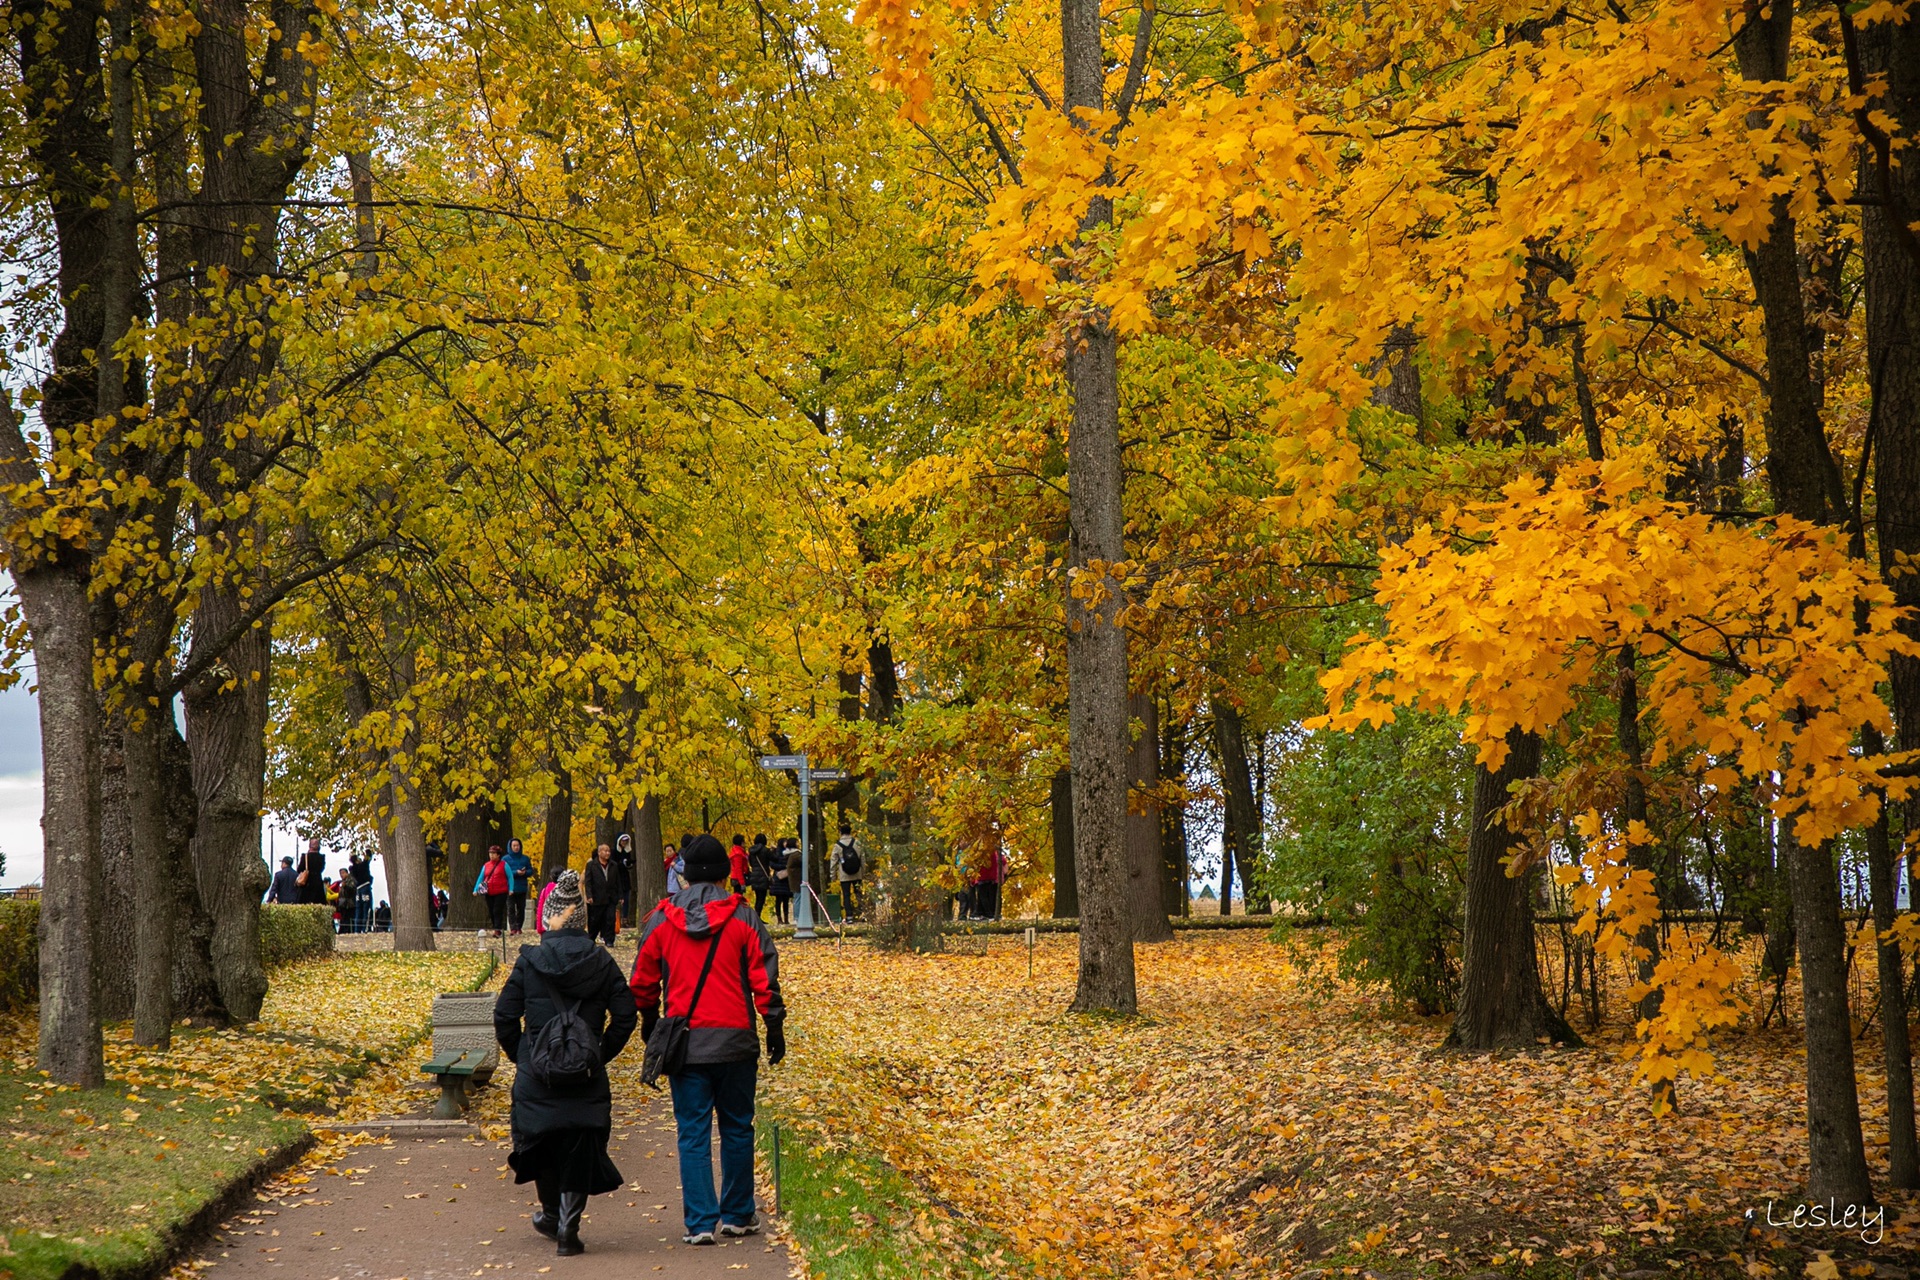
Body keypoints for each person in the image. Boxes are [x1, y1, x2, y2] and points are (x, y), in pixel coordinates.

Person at [629, 835, 785, 1246]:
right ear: (722, 874)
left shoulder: (660, 921)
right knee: (737, 1127)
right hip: (735, 1040)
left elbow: (643, 982)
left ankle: (699, 1223)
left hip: (686, 1043)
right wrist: (774, 1025)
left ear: (684, 873)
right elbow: (764, 978)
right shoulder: (744, 918)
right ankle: (738, 1214)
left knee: (692, 1131)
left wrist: (649, 1021)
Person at [494, 871, 638, 1257]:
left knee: (541, 1139)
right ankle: (567, 1229)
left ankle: (550, 1213)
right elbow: (626, 1017)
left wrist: (525, 1057)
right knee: (580, 1142)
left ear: (549, 920)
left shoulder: (529, 963)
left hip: (537, 1075)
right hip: (585, 1076)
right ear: (582, 922)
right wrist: (597, 1053)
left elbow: (504, 1018)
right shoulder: (601, 961)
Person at [584, 844, 627, 945]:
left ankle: (609, 940)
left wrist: (620, 895)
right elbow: (588, 881)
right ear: (599, 852)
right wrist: (589, 895)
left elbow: (618, 881)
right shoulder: (591, 865)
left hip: (611, 897)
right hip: (596, 897)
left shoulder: (613, 865)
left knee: (610, 919)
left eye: (608, 851)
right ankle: (591, 938)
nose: (607, 853)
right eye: (605, 851)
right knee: (595, 920)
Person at [475, 845, 511, 936]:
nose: (491, 855)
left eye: (493, 853)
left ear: (498, 855)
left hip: (501, 892)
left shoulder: (504, 865)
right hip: (489, 892)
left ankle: (497, 929)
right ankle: (496, 927)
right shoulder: (486, 865)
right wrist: (476, 889)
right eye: (490, 853)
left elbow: (510, 877)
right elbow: (481, 877)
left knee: (497, 910)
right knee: (491, 910)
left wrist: (511, 889)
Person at [504, 838, 535, 935]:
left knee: (521, 908)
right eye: (514, 846)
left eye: (518, 846)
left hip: (522, 887)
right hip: (510, 888)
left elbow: (531, 871)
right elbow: (503, 872)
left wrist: (525, 872)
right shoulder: (505, 859)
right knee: (511, 908)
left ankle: (519, 927)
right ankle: (513, 927)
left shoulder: (525, 858)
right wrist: (515, 873)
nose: (516, 847)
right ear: (510, 847)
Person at [832, 823, 863, 919]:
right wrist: (863, 872)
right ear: (850, 832)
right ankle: (862, 914)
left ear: (841, 832)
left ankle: (849, 916)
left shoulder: (837, 846)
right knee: (859, 894)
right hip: (857, 873)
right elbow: (862, 858)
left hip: (844, 875)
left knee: (846, 895)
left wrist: (833, 876)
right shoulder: (857, 843)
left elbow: (833, 862)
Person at [971, 845, 1006, 920]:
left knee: (984, 896)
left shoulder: (986, 853)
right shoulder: (994, 853)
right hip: (989, 877)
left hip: (984, 877)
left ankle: (989, 914)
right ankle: (981, 913)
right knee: (986, 896)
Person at [613, 833, 637, 929]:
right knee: (616, 899)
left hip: (625, 878)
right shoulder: (614, 852)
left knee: (626, 899)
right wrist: (621, 864)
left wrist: (628, 864)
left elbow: (628, 866)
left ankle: (624, 919)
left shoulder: (627, 852)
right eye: (623, 841)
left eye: (626, 841)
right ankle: (615, 920)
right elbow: (614, 865)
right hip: (616, 878)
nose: (624, 843)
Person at [297, 836, 328, 905]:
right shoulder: (321, 857)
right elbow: (322, 869)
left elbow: (299, 869)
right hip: (318, 882)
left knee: (304, 903)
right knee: (319, 903)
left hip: (307, 882)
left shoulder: (305, 856)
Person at [747, 835, 772, 917]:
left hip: (754, 875)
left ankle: (757, 915)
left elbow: (750, 863)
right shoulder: (766, 850)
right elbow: (774, 858)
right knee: (762, 897)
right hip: (763, 875)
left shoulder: (751, 852)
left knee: (758, 896)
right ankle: (758, 916)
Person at [768, 838, 792, 925]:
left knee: (786, 899)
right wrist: (782, 867)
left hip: (786, 879)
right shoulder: (776, 852)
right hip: (778, 878)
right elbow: (772, 864)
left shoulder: (789, 852)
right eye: (784, 842)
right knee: (778, 900)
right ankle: (779, 918)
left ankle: (786, 918)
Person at [534, 869, 561, 935]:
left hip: (547, 928)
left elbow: (540, 909)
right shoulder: (568, 892)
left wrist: (539, 928)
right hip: (562, 928)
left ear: (551, 877)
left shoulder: (545, 891)